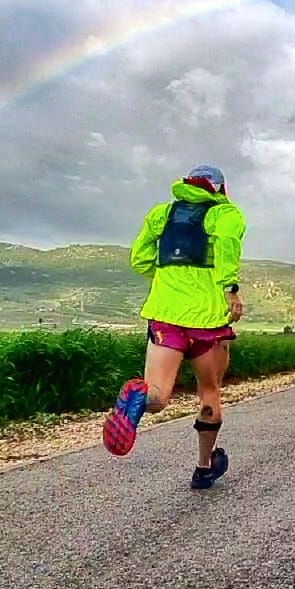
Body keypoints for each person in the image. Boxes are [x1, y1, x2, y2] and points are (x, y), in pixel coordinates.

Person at [103, 164, 246, 490]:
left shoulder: (161, 213)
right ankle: (204, 468)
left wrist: (170, 279)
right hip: (208, 322)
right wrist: (230, 288)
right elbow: (226, 247)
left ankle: (137, 401)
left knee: (158, 394)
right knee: (210, 394)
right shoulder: (226, 215)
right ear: (220, 189)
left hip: (165, 315)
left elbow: (139, 259)